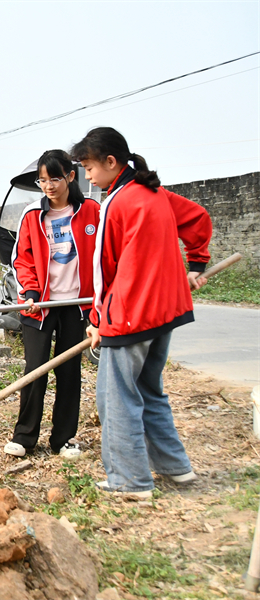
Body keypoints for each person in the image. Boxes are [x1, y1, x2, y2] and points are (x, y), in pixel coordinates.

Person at [71, 127, 211, 499]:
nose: (87, 176)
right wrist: (195, 263)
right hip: (167, 309)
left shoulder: (117, 203)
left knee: (116, 398)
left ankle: (130, 480)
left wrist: (99, 320)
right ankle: (174, 467)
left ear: (110, 162)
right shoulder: (155, 194)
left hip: (132, 313)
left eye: (88, 167)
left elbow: (105, 269)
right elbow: (197, 218)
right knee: (149, 389)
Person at [4, 150, 100, 460]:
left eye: (55, 178)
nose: (48, 186)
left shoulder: (92, 212)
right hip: (41, 305)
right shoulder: (32, 213)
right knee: (35, 369)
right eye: (42, 180)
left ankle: (64, 438)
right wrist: (30, 292)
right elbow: (22, 257)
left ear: (72, 177)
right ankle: (25, 436)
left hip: (77, 305)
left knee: (69, 370)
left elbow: (103, 257)